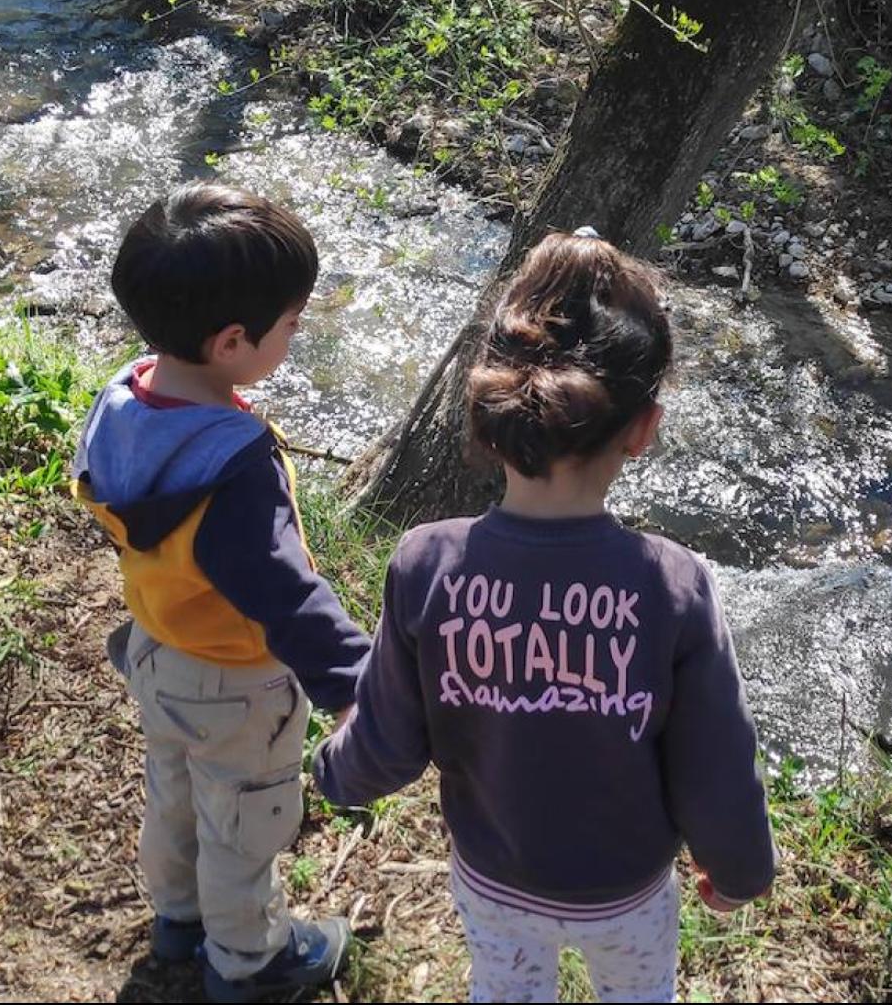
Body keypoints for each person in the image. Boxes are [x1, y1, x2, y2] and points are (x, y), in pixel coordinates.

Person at [313, 229, 776, 1002]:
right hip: (624, 895)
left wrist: (333, 771)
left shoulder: (426, 562)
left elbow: (389, 742)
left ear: (492, 410)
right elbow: (716, 764)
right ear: (643, 429)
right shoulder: (673, 584)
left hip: (494, 879)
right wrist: (740, 870)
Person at [72, 183, 370, 1003]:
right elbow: (282, 591)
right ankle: (251, 961)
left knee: (172, 792)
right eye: (290, 324)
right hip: (237, 680)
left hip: (157, 651)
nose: (295, 333)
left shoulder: (125, 397)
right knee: (244, 821)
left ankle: (177, 917)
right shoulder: (232, 466)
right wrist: (354, 681)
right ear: (233, 339)